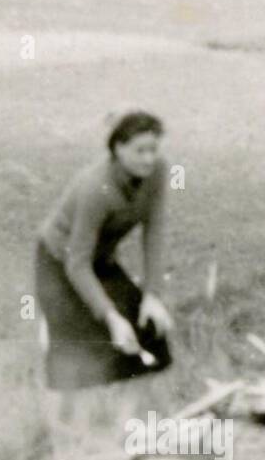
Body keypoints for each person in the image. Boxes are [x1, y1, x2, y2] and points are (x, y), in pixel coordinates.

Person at [34, 111, 174, 399]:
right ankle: (66, 428)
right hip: (60, 264)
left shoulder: (158, 172)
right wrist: (110, 316)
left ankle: (129, 420)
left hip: (101, 261)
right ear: (118, 148)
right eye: (139, 151)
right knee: (78, 358)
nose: (148, 158)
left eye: (153, 149)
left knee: (149, 337)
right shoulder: (96, 187)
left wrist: (153, 294)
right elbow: (77, 263)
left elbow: (155, 231)